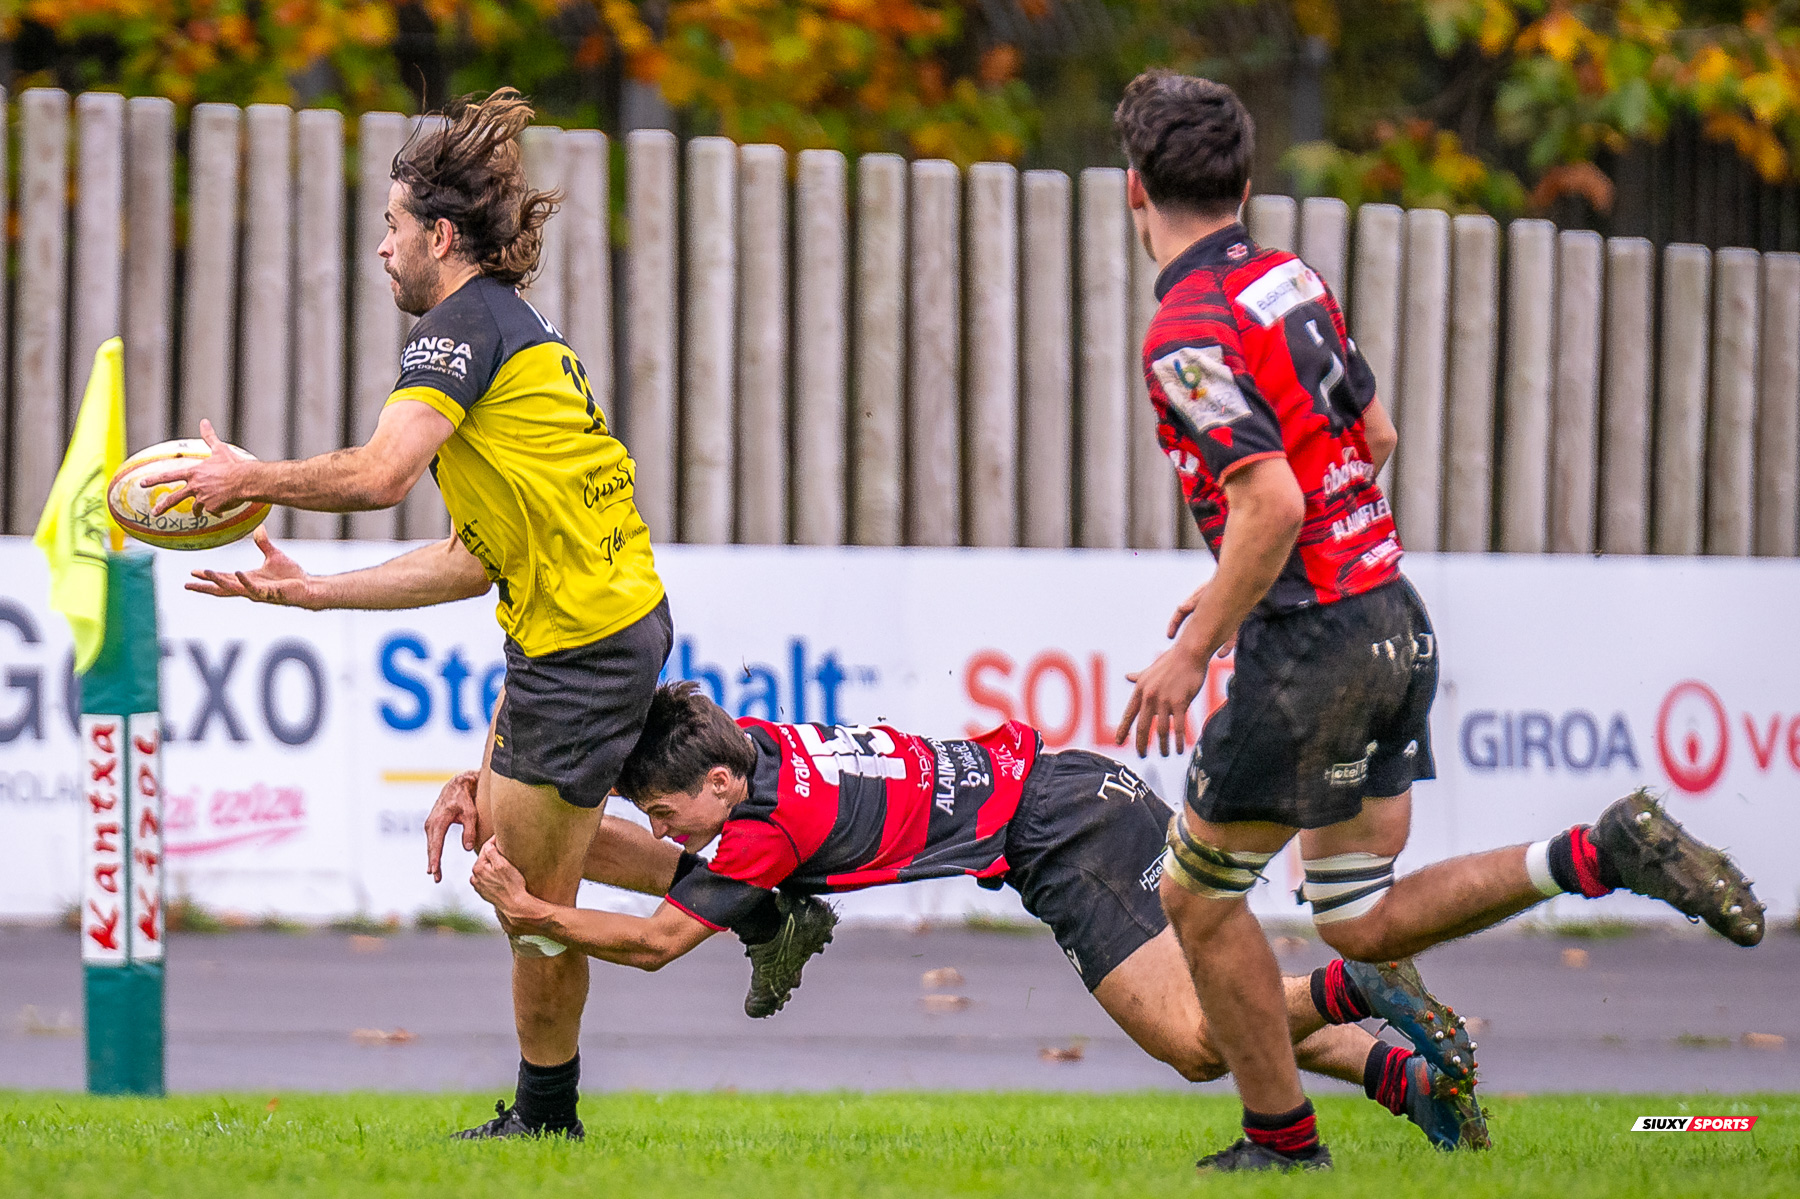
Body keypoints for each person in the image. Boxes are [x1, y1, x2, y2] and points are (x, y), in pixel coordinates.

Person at [1108, 70, 1765, 1173]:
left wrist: (1195, 645)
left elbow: (1272, 499)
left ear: (1134, 190)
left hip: (1315, 642)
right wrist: (1253, 569)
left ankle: (1281, 1141)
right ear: (1248, 180)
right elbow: (1375, 436)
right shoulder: (1288, 279)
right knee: (1357, 916)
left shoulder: (1185, 329)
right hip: (1393, 615)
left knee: (1196, 892)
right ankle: (1597, 851)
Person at [142, 88, 681, 1140]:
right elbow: (469, 557)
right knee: (510, 834)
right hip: (595, 622)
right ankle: (758, 884)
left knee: (522, 887)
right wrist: (312, 591)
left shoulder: (458, 329)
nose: (381, 249)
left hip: (579, 641)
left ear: (439, 235)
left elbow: (384, 473)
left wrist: (251, 475)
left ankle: (546, 1117)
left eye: (391, 227)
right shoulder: (510, 329)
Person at [447, 680, 1491, 1151]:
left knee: (1196, 1040)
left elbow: (655, 939)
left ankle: (1363, 981)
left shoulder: (765, 828)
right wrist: (499, 795)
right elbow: (664, 836)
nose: (666, 822)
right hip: (1072, 794)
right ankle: (1407, 1079)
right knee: (1212, 1022)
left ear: (720, 783)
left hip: (1065, 834)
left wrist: (529, 903)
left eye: (670, 806)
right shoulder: (745, 743)